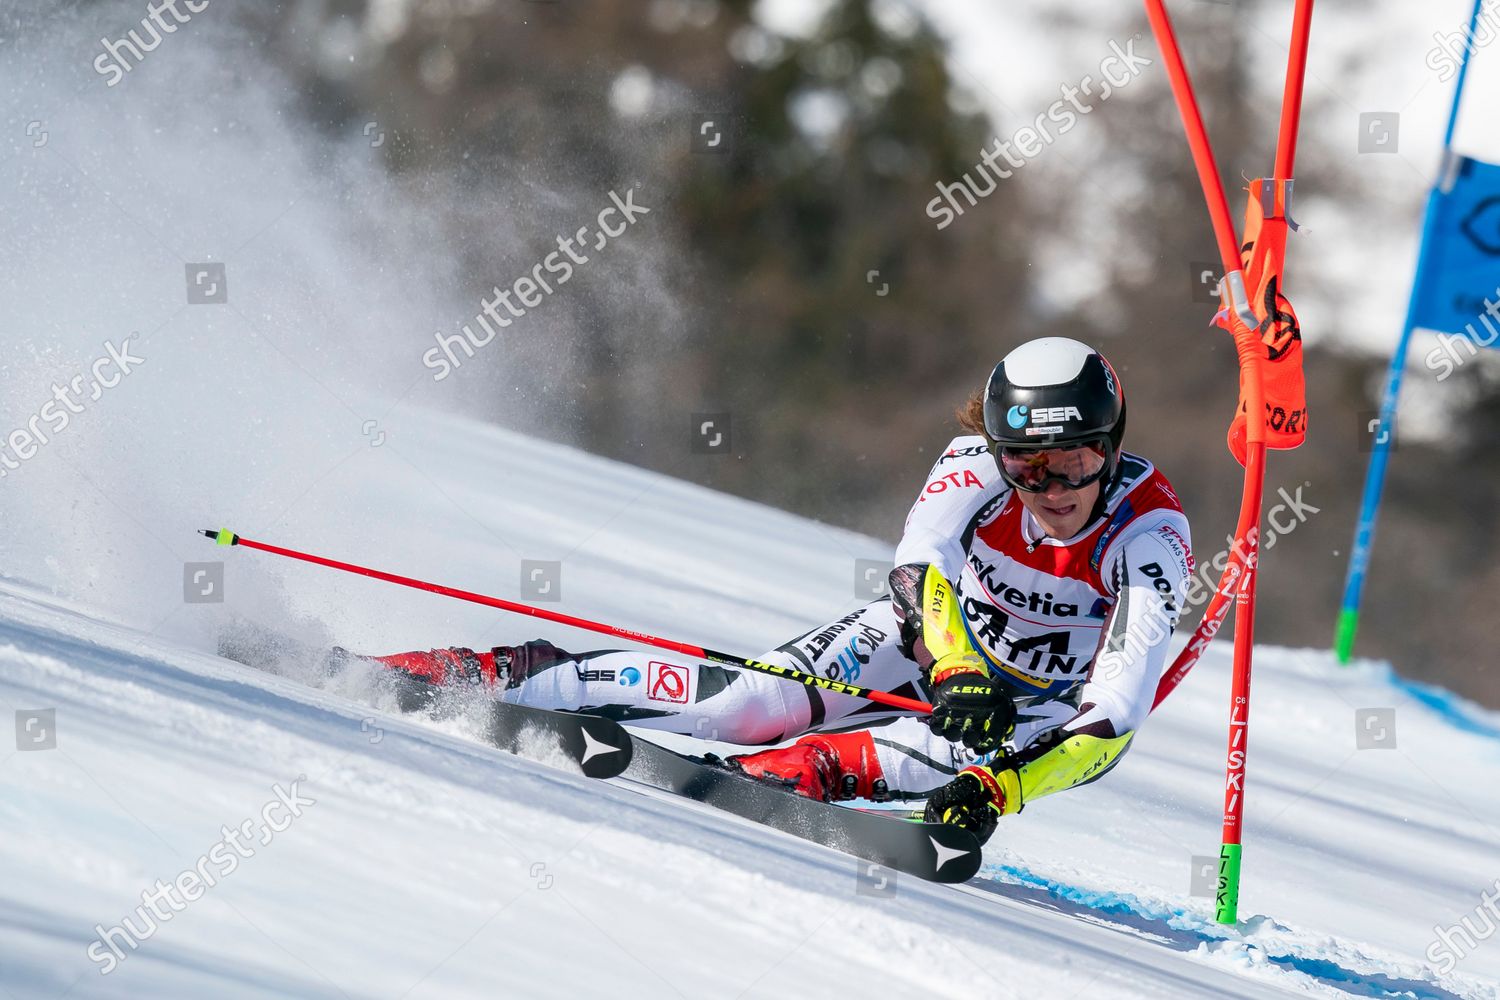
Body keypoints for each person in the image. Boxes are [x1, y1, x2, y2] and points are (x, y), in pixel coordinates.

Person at [362, 337, 1193, 841]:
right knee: (746, 704)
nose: (1051, 488)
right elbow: (918, 570)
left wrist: (998, 785)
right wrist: (958, 666)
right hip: (930, 650)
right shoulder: (970, 463)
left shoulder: (1149, 535)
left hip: (1031, 717)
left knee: (817, 763)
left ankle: (768, 782)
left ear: (1111, 447)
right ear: (999, 450)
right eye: (1028, 465)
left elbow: (1114, 712)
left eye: (1076, 460)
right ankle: (495, 673)